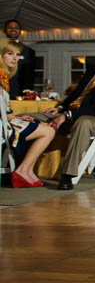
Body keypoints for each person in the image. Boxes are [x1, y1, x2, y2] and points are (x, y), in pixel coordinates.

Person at [44, 45, 95, 190]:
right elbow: (76, 94)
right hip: (72, 114)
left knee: (83, 122)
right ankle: (22, 169)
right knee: (38, 116)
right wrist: (60, 108)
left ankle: (67, 176)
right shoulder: (91, 72)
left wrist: (67, 115)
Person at [1, 41, 55, 187]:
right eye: (10, 53)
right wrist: (11, 118)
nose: (15, 58)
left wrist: (16, 117)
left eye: (17, 55)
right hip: (2, 128)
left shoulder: (4, 76)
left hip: (5, 123)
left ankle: (27, 170)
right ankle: (23, 170)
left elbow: (4, 109)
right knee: (48, 131)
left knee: (45, 126)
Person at [3, 19, 36, 97]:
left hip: (19, 93)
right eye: (10, 27)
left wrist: (28, 93)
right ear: (5, 30)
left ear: (20, 31)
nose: (13, 29)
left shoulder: (28, 51)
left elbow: (30, 76)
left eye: (16, 28)